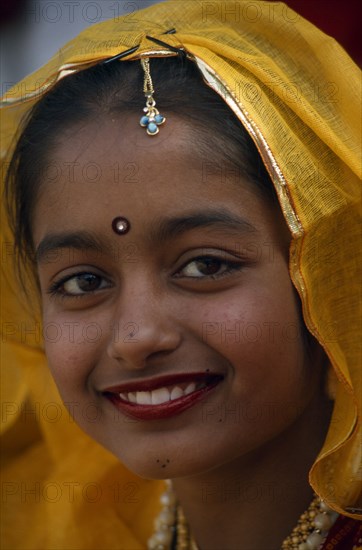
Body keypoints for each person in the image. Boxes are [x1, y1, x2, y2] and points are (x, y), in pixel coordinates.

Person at [1, 1, 361, 549]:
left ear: (322, 276)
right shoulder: (61, 527)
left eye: (205, 265)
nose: (137, 337)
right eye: (84, 282)